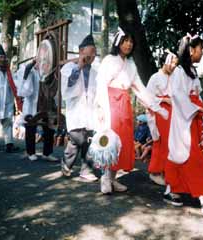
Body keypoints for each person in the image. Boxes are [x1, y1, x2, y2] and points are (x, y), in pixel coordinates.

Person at [95, 27, 168, 194]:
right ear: (118, 42)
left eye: (130, 41)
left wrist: (155, 106)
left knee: (122, 141)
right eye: (125, 41)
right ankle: (105, 176)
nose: (128, 44)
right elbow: (101, 86)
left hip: (124, 105)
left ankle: (113, 178)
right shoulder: (109, 60)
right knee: (109, 140)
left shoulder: (130, 65)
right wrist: (101, 108)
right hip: (110, 102)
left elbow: (140, 89)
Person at [164, 34, 203, 213]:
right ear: (192, 50)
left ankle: (173, 188)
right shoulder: (179, 72)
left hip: (194, 117)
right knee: (192, 155)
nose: (202, 52)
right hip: (184, 119)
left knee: (185, 154)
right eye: (201, 48)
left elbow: (196, 95)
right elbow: (178, 96)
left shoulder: (191, 71)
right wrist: (199, 109)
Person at [60, 34, 98, 182]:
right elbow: (68, 86)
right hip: (76, 111)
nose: (93, 55)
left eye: (95, 52)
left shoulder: (95, 72)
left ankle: (86, 170)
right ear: (82, 50)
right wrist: (79, 67)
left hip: (91, 111)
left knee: (89, 141)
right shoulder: (69, 67)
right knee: (76, 140)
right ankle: (66, 164)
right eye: (91, 51)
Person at [146, 50, 178, 186]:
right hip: (160, 113)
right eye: (172, 63)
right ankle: (155, 171)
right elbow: (147, 97)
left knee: (171, 143)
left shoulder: (175, 77)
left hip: (173, 113)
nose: (174, 67)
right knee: (161, 142)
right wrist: (164, 99)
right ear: (165, 62)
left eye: (176, 64)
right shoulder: (155, 78)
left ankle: (167, 171)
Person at [17, 59, 58, 162]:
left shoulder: (49, 72)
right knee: (31, 128)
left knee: (49, 128)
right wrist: (30, 65)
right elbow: (25, 87)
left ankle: (47, 153)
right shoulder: (31, 71)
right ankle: (30, 152)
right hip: (32, 105)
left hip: (46, 104)